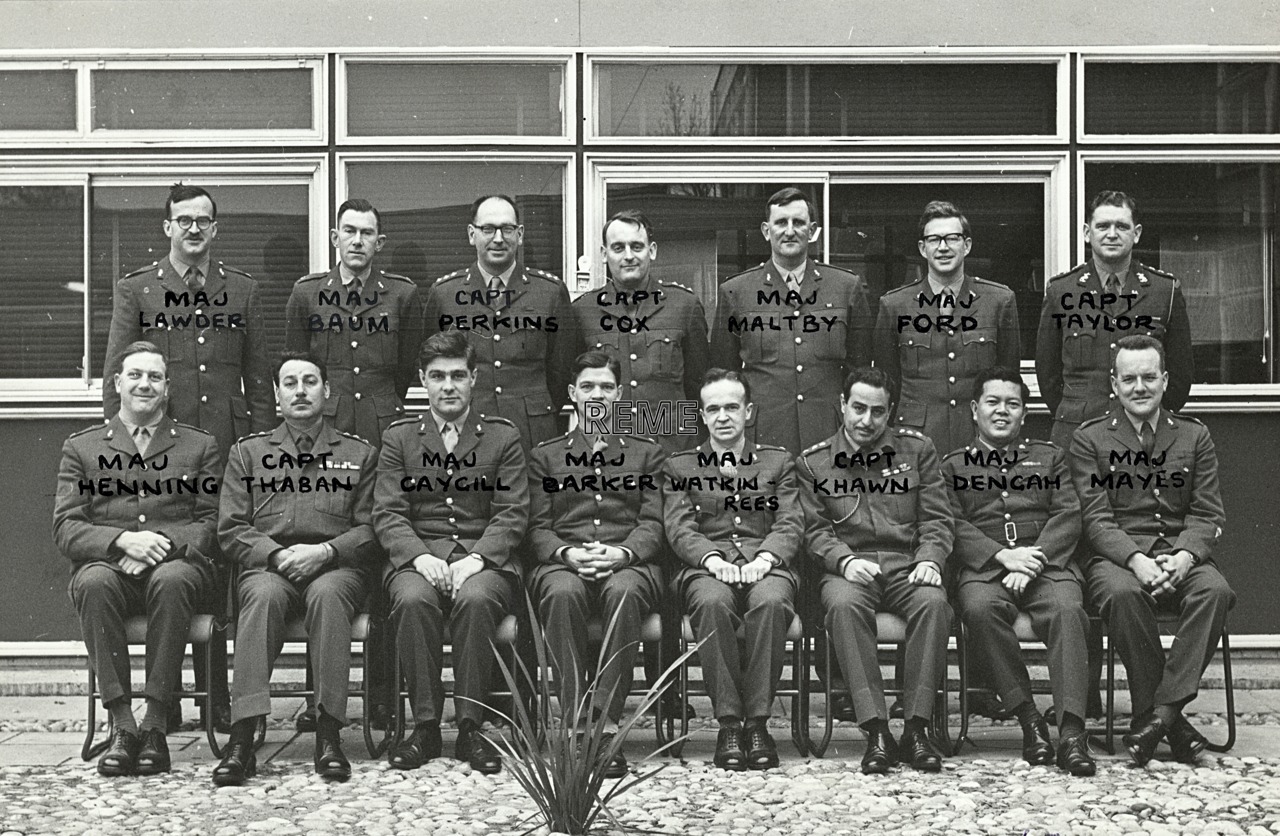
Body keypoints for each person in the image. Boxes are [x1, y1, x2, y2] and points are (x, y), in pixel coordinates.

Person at [212, 351, 379, 785]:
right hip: (270, 564)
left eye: (310, 381)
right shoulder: (248, 455)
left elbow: (371, 529)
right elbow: (230, 528)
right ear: (277, 394)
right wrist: (276, 555)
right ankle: (243, 736)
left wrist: (325, 553)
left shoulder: (359, 454)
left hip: (335, 566)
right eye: (290, 383)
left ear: (328, 392)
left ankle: (328, 733)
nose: (300, 391)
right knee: (262, 596)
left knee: (327, 595)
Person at [53, 341, 220, 776]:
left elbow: (211, 522)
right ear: (117, 383)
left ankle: (156, 724)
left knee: (173, 579)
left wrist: (157, 543)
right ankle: (123, 724)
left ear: (167, 388)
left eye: (155, 377)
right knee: (92, 582)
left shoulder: (198, 447)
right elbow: (67, 527)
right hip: (111, 571)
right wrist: (123, 541)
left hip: (175, 569)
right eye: (136, 375)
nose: (145, 384)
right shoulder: (83, 448)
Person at [1069, 334, 1233, 767]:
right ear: (1114, 383)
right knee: (1123, 595)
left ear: (1164, 380)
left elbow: (1207, 511)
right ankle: (1171, 722)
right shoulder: (1091, 439)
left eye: (1147, 377)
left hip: (1181, 553)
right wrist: (1136, 560)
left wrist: (1185, 557)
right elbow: (1095, 519)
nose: (1139, 387)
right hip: (1117, 559)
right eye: (1129, 379)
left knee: (1214, 592)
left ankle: (1157, 716)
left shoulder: (1194, 436)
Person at [374, 331, 529, 773]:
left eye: (457, 375)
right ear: (422, 380)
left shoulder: (501, 437)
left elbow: (513, 512)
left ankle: (470, 727)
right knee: (410, 599)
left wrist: (477, 558)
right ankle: (425, 727)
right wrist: (419, 557)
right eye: (437, 376)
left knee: (477, 599)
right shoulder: (400, 438)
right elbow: (387, 512)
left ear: (474, 378)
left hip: (485, 558)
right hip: (417, 556)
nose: (448, 386)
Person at [798, 367, 954, 774]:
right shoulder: (815, 462)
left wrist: (930, 559)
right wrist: (844, 561)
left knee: (935, 605)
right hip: (849, 569)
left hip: (907, 566)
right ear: (842, 406)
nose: (867, 421)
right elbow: (813, 530)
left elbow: (938, 519)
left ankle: (917, 728)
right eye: (859, 409)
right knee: (844, 608)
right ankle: (877, 731)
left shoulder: (916, 450)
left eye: (878, 412)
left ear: (891, 412)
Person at [940, 367, 1095, 776]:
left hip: (1046, 568)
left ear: (1024, 413)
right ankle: (1028, 718)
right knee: (978, 609)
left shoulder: (1050, 457)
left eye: (1013, 404)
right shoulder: (954, 466)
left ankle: (1073, 733)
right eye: (993, 402)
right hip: (987, 571)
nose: (1002, 411)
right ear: (975, 410)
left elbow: (1069, 515)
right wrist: (1000, 556)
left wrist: (1034, 558)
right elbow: (950, 523)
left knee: (1068, 610)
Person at [527, 352, 666, 778]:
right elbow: (535, 526)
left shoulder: (647, 453)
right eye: (587, 387)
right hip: (564, 562)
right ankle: (574, 724)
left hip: (627, 562)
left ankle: (603, 727)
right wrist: (565, 554)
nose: (597, 396)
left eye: (606, 387)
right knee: (562, 592)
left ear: (620, 395)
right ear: (572, 395)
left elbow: (655, 521)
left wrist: (623, 553)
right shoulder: (546, 457)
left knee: (624, 590)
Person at [663, 368, 803, 771]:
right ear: (702, 416)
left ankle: (757, 723)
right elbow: (679, 526)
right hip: (706, 568)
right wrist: (711, 559)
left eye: (731, 407)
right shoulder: (680, 466)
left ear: (748, 411)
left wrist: (765, 559)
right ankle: (728, 723)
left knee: (773, 602)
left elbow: (790, 521)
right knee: (710, 603)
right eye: (714, 409)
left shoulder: (778, 462)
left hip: (767, 562)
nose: (723, 416)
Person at [102, 183, 273, 463]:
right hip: (158, 443)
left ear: (214, 229)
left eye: (203, 221)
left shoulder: (243, 289)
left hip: (227, 444)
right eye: (184, 221)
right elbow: (114, 379)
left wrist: (262, 449)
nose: (194, 229)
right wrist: (124, 446)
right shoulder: (137, 289)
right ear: (168, 227)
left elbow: (259, 383)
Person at [710, 187, 872, 455]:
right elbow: (722, 376)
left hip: (830, 434)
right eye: (780, 222)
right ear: (766, 230)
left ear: (812, 230)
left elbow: (860, 370)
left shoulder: (845, 287)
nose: (789, 230)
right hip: (762, 436)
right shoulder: (736, 292)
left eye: (798, 222)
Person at [1036, 190, 1194, 449]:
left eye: (1121, 226)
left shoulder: (1164, 291)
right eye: (1103, 226)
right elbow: (1048, 376)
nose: (1111, 234)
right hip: (1077, 435)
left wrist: (1147, 413)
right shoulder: (1061, 291)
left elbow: (1179, 377)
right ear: (1088, 233)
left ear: (1137, 233)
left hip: (1144, 435)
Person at [422, 194, 575, 450]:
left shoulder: (550, 292)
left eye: (507, 229)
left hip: (532, 432)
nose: (498, 238)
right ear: (472, 234)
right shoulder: (444, 294)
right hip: (465, 431)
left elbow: (561, 370)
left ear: (520, 234)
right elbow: (429, 362)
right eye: (488, 229)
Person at [873, 200, 1021, 458]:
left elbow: (1008, 376)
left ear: (967, 245)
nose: (943, 247)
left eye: (952, 238)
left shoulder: (999, 301)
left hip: (979, 437)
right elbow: (888, 382)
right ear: (922, 248)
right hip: (914, 439)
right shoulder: (894, 305)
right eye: (934, 240)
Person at [285, 198, 424, 448]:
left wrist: (381, 401)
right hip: (325, 422)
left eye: (367, 233)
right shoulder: (307, 293)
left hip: (382, 423)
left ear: (379, 242)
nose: (357, 241)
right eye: (349, 231)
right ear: (335, 238)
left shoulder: (402, 294)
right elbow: (297, 362)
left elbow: (407, 364)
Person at [570, 209, 709, 454]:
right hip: (608, 451)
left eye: (637, 246)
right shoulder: (583, 311)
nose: (628, 256)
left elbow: (700, 386)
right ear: (604, 254)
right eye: (618, 248)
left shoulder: (684, 306)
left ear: (652, 250)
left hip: (672, 450)